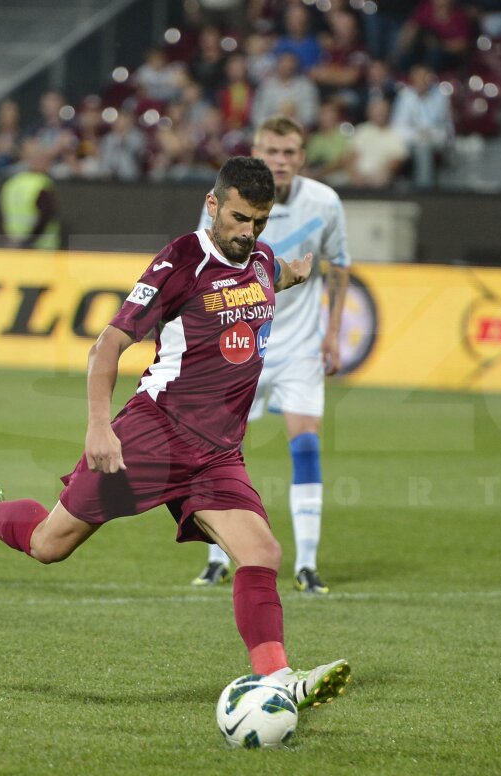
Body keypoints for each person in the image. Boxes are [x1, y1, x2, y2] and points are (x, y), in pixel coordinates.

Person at [0, 156, 351, 710]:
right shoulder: (181, 260)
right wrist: (100, 426)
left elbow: (271, 277)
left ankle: (276, 681)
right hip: (153, 436)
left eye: (260, 222)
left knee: (261, 551)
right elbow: (107, 343)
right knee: (48, 544)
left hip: (218, 453)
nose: (248, 233)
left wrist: (295, 271)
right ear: (213, 204)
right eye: (240, 218)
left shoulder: (261, 259)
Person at [192, 117, 350, 595]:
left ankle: (306, 563)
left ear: (302, 156)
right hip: (239, 342)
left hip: (300, 344)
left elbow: (339, 265)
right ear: (257, 151)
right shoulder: (229, 198)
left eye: (289, 152)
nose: (280, 160)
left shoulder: (325, 202)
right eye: (272, 151)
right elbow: (203, 266)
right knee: (215, 448)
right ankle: (217, 556)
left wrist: (333, 334)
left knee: (305, 444)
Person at [0, 139, 61, 249]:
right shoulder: (41, 184)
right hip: (40, 250)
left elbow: (1, 216)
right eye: (45, 159)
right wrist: (28, 241)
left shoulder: (12, 183)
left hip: (13, 248)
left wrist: (10, 240)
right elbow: (46, 215)